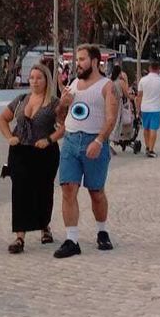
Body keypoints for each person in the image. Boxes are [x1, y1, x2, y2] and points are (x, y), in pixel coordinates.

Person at [53, 44, 116, 259]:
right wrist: (63, 104)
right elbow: (60, 117)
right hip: (70, 141)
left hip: (94, 142)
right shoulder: (73, 85)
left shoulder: (107, 86)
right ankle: (72, 239)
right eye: (76, 60)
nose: (77, 64)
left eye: (81, 59)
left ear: (95, 61)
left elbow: (111, 118)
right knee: (68, 188)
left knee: (96, 192)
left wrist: (99, 141)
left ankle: (102, 231)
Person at [0, 62, 62, 253]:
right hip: (20, 151)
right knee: (19, 192)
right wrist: (9, 137)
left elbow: (65, 126)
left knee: (43, 190)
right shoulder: (21, 99)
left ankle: (45, 227)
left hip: (44, 153)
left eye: (39, 78)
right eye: (32, 77)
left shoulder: (53, 102)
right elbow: (3, 119)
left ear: (46, 79)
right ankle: (20, 236)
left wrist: (49, 139)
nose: (34, 81)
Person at [136, 62, 160, 157]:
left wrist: (138, 108)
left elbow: (139, 96)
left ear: (149, 68)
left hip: (145, 108)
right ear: (158, 69)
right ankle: (151, 149)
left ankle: (147, 146)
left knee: (146, 128)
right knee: (153, 129)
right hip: (156, 108)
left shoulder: (143, 80)